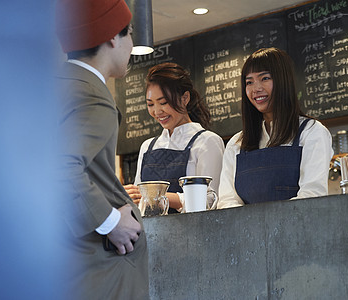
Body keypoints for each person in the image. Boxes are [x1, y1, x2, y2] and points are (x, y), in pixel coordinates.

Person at [54, 0, 148, 299]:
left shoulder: (51, 86)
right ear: (112, 36)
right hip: (99, 265)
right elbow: (59, 168)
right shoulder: (93, 96)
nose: (131, 44)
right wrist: (111, 222)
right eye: (129, 32)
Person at [217, 47, 333, 209]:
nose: (256, 88)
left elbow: (312, 195)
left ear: (283, 81)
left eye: (265, 78)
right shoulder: (236, 144)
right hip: (247, 233)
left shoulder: (312, 132)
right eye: (249, 82)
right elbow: (227, 201)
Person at [124, 63, 225, 213]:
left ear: (185, 98)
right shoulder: (147, 146)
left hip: (193, 233)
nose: (157, 111)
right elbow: (141, 204)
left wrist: (157, 196)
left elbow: (211, 201)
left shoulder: (207, 141)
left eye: (164, 102)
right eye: (150, 104)